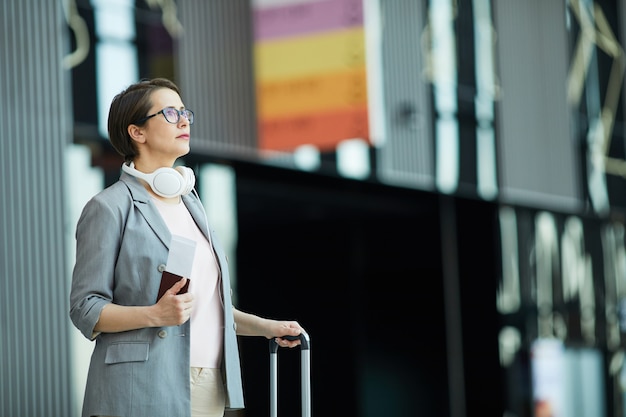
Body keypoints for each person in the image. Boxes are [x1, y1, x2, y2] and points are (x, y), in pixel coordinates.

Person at [69, 77, 304, 417]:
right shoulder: (109, 207)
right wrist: (153, 314)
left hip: (208, 381)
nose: (183, 120)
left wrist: (268, 327)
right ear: (137, 132)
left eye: (184, 112)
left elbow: (207, 307)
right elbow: (85, 308)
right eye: (168, 113)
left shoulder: (192, 206)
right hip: (140, 385)